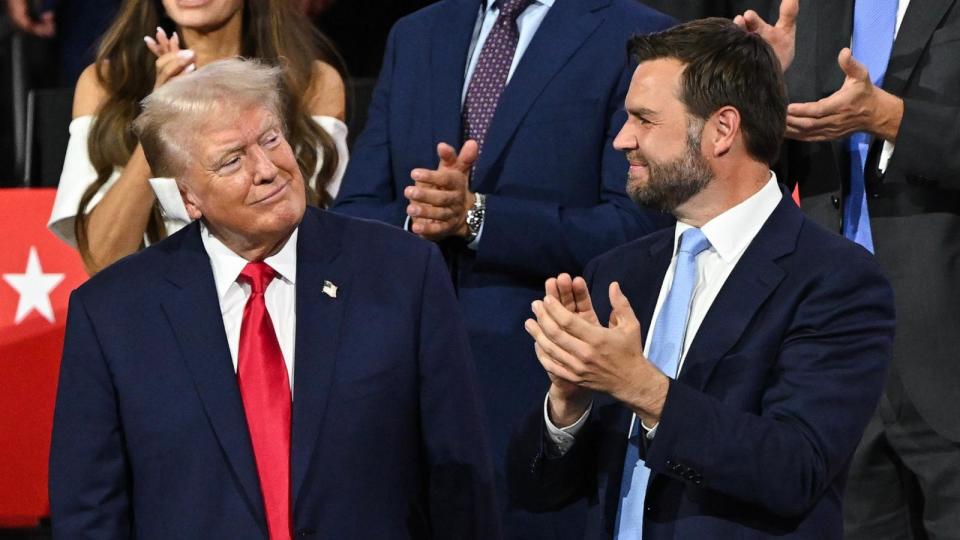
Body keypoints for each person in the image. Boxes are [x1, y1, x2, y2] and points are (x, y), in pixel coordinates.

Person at [48, 58, 500, 540]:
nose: (267, 170)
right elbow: (89, 512)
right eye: (232, 160)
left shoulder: (403, 274)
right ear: (187, 197)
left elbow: (461, 478)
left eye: (270, 140)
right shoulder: (113, 314)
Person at [508, 18, 895, 538]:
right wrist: (568, 403)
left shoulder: (836, 280)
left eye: (645, 120)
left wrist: (641, 387)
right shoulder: (617, 272)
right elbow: (544, 491)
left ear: (722, 129)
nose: (622, 139)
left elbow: (793, 469)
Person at [332, 1, 674, 536]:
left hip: (543, 385)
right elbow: (354, 211)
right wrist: (424, 216)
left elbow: (637, 227)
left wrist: (478, 217)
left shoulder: (639, 35)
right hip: (400, 385)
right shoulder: (416, 33)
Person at [739, 1, 960, 536]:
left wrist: (892, 118)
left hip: (947, 347)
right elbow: (779, 171)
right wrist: (763, 95)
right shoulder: (811, 7)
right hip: (838, 352)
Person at [46, 0, 348, 275]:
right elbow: (101, 262)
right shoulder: (105, 84)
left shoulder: (312, 83)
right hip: (155, 307)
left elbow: (321, 235)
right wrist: (159, 123)